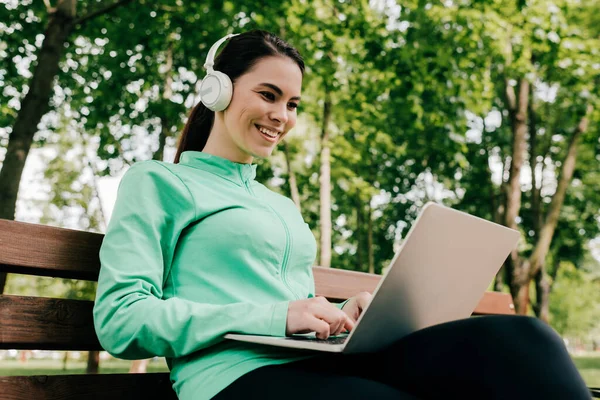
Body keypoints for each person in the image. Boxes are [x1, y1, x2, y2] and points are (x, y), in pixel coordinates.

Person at [92, 30, 592, 400]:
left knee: (522, 339)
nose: (281, 116)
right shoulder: (159, 182)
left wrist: (338, 314)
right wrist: (279, 315)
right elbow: (121, 320)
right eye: (268, 95)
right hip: (231, 378)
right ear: (217, 91)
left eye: (292, 104)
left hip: (316, 362)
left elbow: (285, 301)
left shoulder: (279, 205)